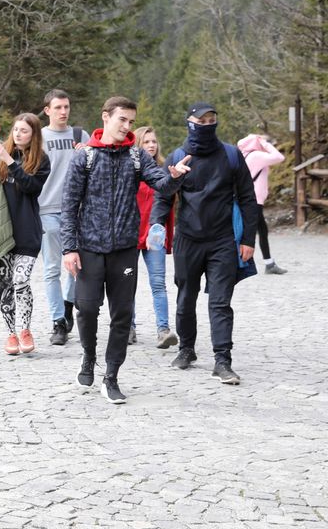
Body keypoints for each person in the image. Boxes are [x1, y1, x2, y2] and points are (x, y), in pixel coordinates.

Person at [62, 96, 190, 404]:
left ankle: (112, 375)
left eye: (131, 121)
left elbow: (160, 184)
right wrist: (69, 248)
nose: (127, 126)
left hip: (124, 249)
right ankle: (89, 355)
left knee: (122, 315)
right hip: (90, 248)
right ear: (105, 117)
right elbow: (69, 206)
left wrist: (173, 178)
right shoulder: (85, 157)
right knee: (87, 308)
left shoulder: (136, 157)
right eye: (122, 119)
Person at [151, 102, 259, 386]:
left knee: (221, 302)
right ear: (189, 122)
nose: (207, 124)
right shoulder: (177, 156)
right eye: (201, 120)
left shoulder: (231, 155)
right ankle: (186, 350)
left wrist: (248, 239)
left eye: (212, 119)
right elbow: (163, 196)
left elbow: (248, 198)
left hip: (223, 239)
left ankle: (223, 360)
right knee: (186, 299)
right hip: (188, 238)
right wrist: (157, 226)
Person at [0, 114, 51, 356]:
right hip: (2, 231)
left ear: (34, 135)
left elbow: (32, 187)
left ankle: (25, 329)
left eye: (24, 131)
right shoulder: (1, 157)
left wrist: (8, 159)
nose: (18, 134)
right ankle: (11, 333)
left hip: (28, 231)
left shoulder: (41, 160)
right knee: (7, 284)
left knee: (21, 280)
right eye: (16, 130)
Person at [36, 89, 88, 346]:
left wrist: (86, 155)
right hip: (46, 209)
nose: (63, 112)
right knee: (51, 268)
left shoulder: (80, 136)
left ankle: (68, 310)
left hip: (78, 211)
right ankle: (58, 322)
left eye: (66, 106)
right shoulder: (39, 137)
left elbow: (95, 169)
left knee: (75, 267)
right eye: (58, 107)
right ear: (47, 110)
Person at [132, 127, 177, 349]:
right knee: (126, 284)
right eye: (146, 141)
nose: (151, 145)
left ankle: (163, 330)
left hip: (154, 236)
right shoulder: (129, 170)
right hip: (130, 234)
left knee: (158, 283)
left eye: (154, 141)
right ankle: (128, 327)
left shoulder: (162, 172)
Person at [237, 133, 287, 275]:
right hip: (254, 201)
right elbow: (279, 157)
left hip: (250, 199)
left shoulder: (245, 155)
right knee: (255, 232)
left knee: (259, 230)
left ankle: (268, 263)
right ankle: (264, 263)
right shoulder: (256, 156)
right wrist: (264, 143)